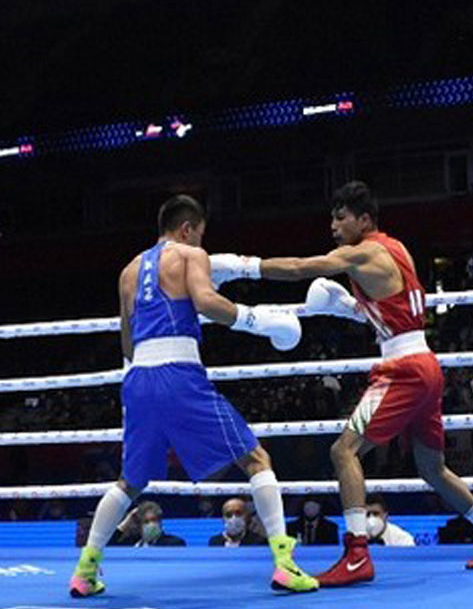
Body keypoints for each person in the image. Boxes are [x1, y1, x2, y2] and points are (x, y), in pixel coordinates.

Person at [210, 181, 473, 586]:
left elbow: (304, 268)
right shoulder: (397, 249)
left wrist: (240, 266)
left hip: (403, 369)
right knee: (432, 468)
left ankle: (357, 553)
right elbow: (392, 308)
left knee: (344, 451)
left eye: (341, 218)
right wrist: (351, 307)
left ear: (365, 219)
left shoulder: (361, 252)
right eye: (332, 219)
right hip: (424, 362)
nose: (334, 227)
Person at [69, 195, 318, 597]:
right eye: (200, 234)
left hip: (137, 380)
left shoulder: (129, 271)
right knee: (256, 459)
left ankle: (85, 570)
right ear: (188, 229)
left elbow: (127, 340)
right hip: (178, 374)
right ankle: (285, 564)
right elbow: (206, 302)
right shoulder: (189, 255)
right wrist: (258, 320)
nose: (200, 241)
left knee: (130, 480)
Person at [110, 501, 186, 546]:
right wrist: (124, 525)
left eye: (154, 520)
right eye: (146, 522)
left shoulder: (174, 543)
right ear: (139, 525)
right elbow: (107, 547)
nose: (151, 525)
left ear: (160, 522)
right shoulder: (130, 544)